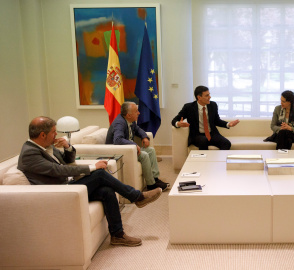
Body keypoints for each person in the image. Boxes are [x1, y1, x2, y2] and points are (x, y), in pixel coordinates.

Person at [18, 116, 162, 247]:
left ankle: (117, 235)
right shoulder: (30, 153)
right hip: (58, 193)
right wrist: (92, 167)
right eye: (54, 132)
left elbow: (68, 161)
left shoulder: (46, 146)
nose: (56, 134)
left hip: (69, 187)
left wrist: (68, 146)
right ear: (42, 135)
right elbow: (58, 170)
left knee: (107, 191)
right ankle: (137, 197)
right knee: (99, 174)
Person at [106, 102, 170, 191]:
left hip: (130, 150)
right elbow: (117, 140)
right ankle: (151, 185)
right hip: (120, 153)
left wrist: (144, 136)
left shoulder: (129, 121)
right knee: (144, 155)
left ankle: (155, 179)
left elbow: (138, 129)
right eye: (136, 111)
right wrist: (134, 145)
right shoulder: (119, 123)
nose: (139, 113)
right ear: (128, 115)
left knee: (150, 150)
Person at [171, 85, 240, 150]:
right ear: (199, 97)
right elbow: (174, 120)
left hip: (212, 134)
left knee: (226, 143)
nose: (210, 97)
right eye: (207, 95)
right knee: (203, 140)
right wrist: (178, 124)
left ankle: (219, 161)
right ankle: (204, 162)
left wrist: (228, 124)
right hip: (197, 136)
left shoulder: (213, 105)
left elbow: (217, 120)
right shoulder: (189, 107)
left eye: (209, 94)